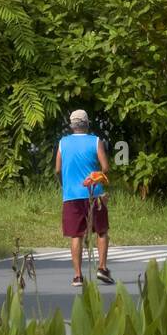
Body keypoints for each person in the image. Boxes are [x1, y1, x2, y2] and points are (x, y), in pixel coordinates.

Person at [56, 109, 114, 287]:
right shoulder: (95, 141)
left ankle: (78, 276)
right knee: (102, 231)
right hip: (94, 194)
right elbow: (105, 168)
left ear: (71, 125)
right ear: (87, 124)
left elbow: (57, 170)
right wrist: (95, 178)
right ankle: (102, 268)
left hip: (71, 196)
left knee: (76, 235)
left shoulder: (63, 143)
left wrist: (64, 185)